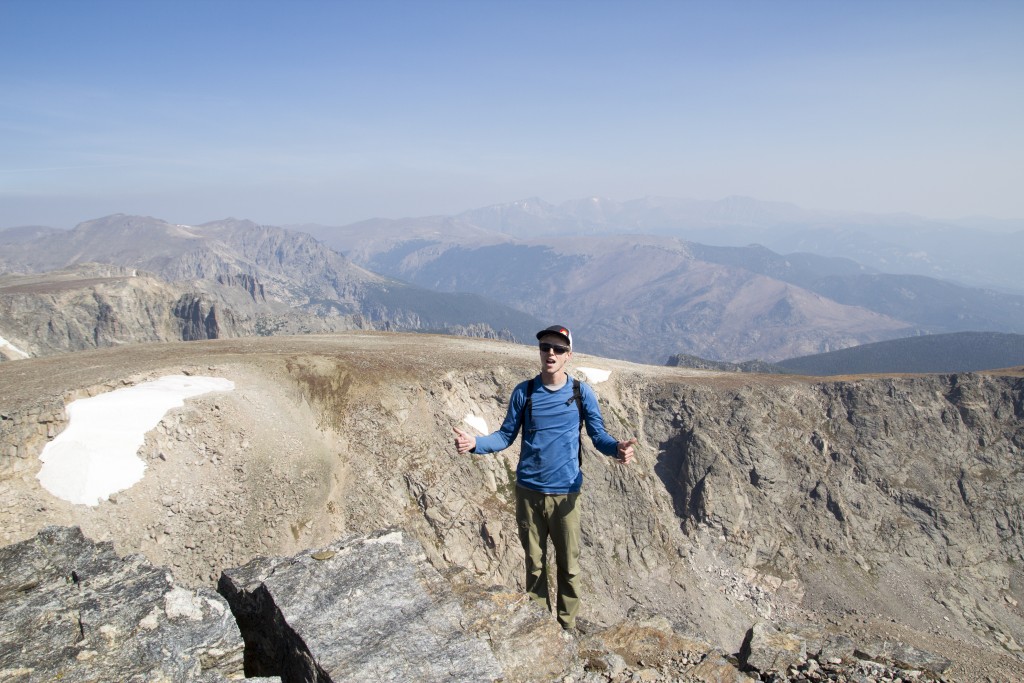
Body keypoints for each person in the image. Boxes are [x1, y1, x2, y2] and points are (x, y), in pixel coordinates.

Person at [453, 325, 636, 632]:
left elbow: (598, 436)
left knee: (569, 567)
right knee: (535, 565)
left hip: (566, 495)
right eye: (545, 347)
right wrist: (476, 444)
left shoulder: (581, 393)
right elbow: (505, 436)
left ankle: (566, 628)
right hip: (529, 493)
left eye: (559, 348)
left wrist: (617, 449)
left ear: (569, 355)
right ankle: (540, 629)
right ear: (539, 351)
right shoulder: (524, 392)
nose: (551, 353)